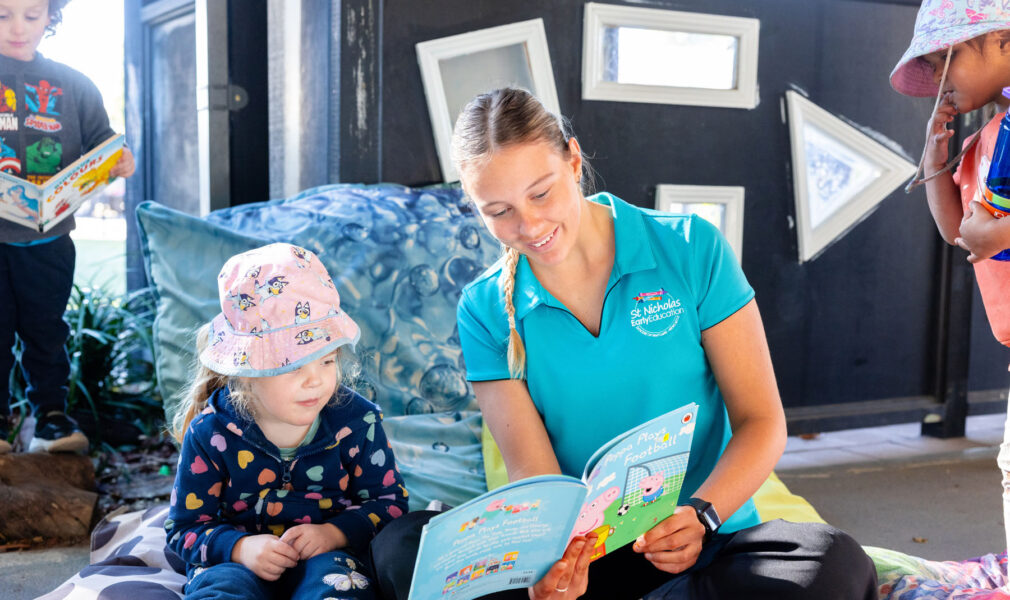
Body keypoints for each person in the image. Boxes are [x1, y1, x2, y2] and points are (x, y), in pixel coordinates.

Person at [370, 87, 877, 600]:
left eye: (540, 193)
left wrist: (702, 514)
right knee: (402, 552)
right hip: (586, 560)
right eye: (498, 211)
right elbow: (534, 476)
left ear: (572, 160)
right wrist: (553, 568)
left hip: (703, 543)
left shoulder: (689, 247)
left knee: (830, 562)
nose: (529, 226)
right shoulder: (483, 309)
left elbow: (761, 421)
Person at [166, 243, 409, 600]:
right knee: (222, 589)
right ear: (247, 371)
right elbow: (183, 530)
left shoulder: (357, 422)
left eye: (326, 362)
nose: (315, 380)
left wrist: (335, 535)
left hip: (331, 561)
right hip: (234, 566)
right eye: (293, 366)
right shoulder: (210, 433)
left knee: (342, 587)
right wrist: (239, 548)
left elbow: (390, 504)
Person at [890, 0, 1010, 567]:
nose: (939, 78)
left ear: (1004, 40)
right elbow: (961, 233)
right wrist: (934, 157)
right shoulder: (992, 134)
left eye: (948, 58)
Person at [0, 0, 136, 454]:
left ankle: (51, 418)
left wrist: (119, 159)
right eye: (3, 15)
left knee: (46, 329)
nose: (18, 27)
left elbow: (103, 142)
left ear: (50, 18)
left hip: (50, 236)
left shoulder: (74, 84)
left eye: (31, 15)